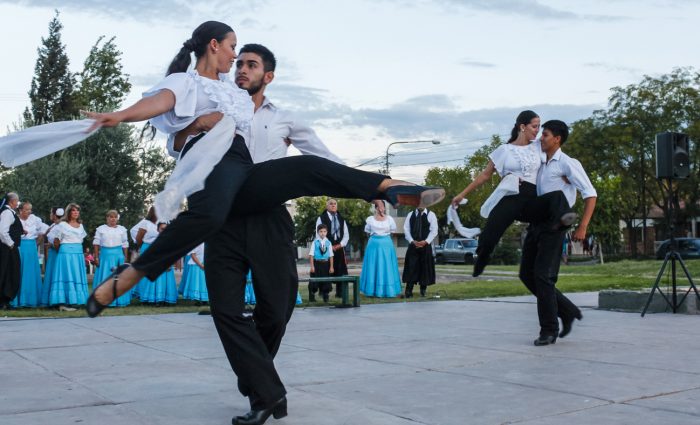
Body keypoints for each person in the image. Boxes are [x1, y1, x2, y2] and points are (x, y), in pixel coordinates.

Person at [78, 22, 442, 425]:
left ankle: (387, 187)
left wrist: (356, 183)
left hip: (256, 193)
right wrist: (127, 116)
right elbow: (164, 104)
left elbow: (324, 161)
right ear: (214, 46)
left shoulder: (256, 106)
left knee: (302, 186)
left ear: (267, 75)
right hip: (217, 194)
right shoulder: (188, 82)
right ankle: (259, 385)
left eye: (248, 61)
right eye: (235, 52)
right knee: (223, 296)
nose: (238, 63)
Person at [452, 110, 573, 277]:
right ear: (522, 126)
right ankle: (482, 257)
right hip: (510, 198)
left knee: (557, 197)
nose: (537, 130)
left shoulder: (538, 146)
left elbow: (555, 156)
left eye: (539, 127)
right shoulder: (504, 150)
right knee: (489, 237)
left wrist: (564, 174)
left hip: (531, 200)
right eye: (534, 126)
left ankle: (563, 221)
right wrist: (462, 194)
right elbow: (485, 175)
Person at [518, 120, 597, 346]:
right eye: (541, 133)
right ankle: (568, 310)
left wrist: (583, 226)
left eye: (546, 134)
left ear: (557, 139)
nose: (542, 137)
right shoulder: (539, 163)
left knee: (543, 276)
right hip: (536, 224)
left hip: (555, 225)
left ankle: (549, 330)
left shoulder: (568, 164)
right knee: (526, 275)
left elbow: (590, 194)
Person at [47, 203, 88, 311]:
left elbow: (81, 240)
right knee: (66, 276)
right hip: (66, 254)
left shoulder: (81, 226)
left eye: (77, 211)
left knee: (76, 276)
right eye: (73, 210)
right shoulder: (62, 225)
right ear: (68, 212)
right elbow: (56, 241)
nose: (76, 213)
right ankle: (63, 302)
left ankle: (76, 301)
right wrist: (62, 252)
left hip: (78, 253)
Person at [360, 200, 402, 297]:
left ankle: (388, 290)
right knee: (373, 266)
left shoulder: (390, 219)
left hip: (386, 245)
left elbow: (392, 231)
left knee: (386, 266)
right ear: (375, 207)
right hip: (373, 245)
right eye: (379, 206)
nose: (381, 208)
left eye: (383, 206)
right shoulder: (370, 219)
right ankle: (371, 290)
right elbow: (367, 231)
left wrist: (384, 239)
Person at [92, 210, 130, 307]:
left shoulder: (122, 229)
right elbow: (96, 243)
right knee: (105, 277)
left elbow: (125, 244)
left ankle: (119, 300)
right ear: (107, 218)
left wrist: (125, 257)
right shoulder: (101, 229)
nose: (113, 219)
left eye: (115, 217)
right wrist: (96, 257)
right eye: (111, 217)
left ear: (117, 218)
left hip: (118, 256)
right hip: (105, 256)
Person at [12, 201, 45, 307]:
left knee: (30, 273)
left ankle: (31, 300)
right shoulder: (14, 219)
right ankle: (17, 299)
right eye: (27, 209)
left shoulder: (35, 219)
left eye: (30, 209)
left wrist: (36, 243)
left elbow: (43, 232)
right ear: (20, 210)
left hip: (31, 247)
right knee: (19, 271)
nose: (29, 211)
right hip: (19, 246)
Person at [138, 222, 178, 305]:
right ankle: (156, 299)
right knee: (156, 280)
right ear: (157, 229)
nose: (164, 230)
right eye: (162, 229)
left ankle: (166, 299)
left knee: (166, 281)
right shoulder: (153, 241)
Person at [316, 199, 349, 298]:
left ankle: (340, 292)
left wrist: (340, 245)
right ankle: (324, 292)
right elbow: (318, 235)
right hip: (325, 247)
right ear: (327, 206)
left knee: (340, 270)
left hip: (339, 248)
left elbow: (346, 235)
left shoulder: (341, 219)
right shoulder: (321, 218)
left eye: (335, 204)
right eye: (331, 204)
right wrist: (329, 246)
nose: (333, 205)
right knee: (325, 270)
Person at [402, 207, 438, 298]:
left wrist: (426, 241)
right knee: (411, 267)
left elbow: (434, 230)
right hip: (413, 245)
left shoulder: (431, 215)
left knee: (425, 269)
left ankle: (423, 291)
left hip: (426, 245)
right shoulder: (410, 214)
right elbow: (406, 229)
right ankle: (408, 291)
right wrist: (412, 241)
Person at [130, 206, 159, 299]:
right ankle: (145, 295)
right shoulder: (145, 223)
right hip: (147, 248)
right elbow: (137, 236)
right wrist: (141, 246)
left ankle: (156, 294)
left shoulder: (161, 222)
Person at [0, 192, 22, 309]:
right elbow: (2, 231)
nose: (17, 204)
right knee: (8, 272)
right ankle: (4, 300)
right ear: (12, 201)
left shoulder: (8, 212)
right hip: (7, 249)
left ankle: (5, 300)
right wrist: (11, 244)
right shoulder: (7, 213)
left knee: (8, 272)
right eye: (17, 201)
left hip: (7, 248)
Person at [40, 207, 64, 305]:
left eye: (51, 213)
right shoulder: (54, 225)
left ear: (54, 215)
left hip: (57, 253)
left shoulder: (61, 226)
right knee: (50, 274)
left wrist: (52, 245)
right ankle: (49, 298)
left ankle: (56, 298)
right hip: (52, 253)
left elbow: (61, 240)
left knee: (55, 274)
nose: (50, 215)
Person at [309, 224, 335, 302]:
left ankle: (325, 296)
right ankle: (312, 295)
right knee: (314, 281)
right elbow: (311, 255)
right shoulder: (315, 242)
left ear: (327, 232)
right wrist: (312, 266)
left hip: (326, 264)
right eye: (321, 231)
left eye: (324, 231)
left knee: (326, 281)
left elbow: (331, 255)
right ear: (318, 232)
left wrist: (331, 267)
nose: (323, 233)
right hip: (317, 264)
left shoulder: (328, 243)